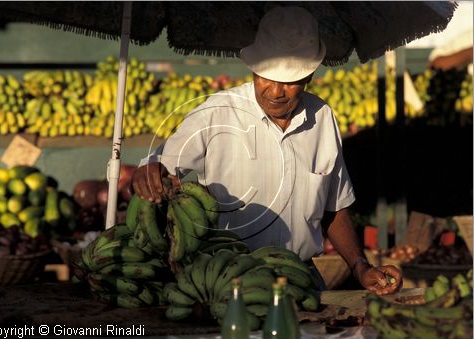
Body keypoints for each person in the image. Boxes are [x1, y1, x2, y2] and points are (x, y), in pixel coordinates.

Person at [132, 6, 402, 295]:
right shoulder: (216, 113)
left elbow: (334, 208)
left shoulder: (322, 118)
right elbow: (160, 164)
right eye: (266, 77)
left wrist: (359, 266)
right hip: (228, 280)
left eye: (289, 81)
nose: (275, 92)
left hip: (301, 278)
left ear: (309, 77)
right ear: (252, 69)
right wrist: (150, 169)